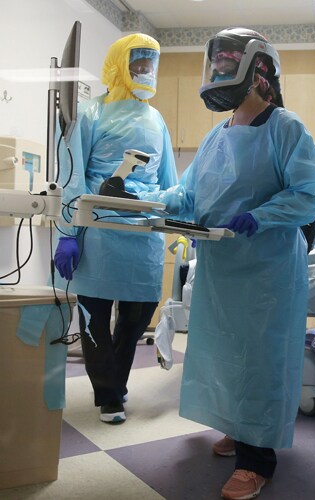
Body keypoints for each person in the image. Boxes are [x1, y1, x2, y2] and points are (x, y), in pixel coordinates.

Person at [165, 27, 315, 500]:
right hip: (221, 266)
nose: (219, 72)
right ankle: (238, 427)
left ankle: (257, 460)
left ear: (259, 73)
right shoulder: (218, 135)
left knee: (260, 359)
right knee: (222, 351)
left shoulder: (286, 128)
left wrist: (260, 217)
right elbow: (189, 192)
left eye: (228, 63)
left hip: (266, 268)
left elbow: (310, 194)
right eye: (216, 63)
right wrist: (152, 203)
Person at [52, 33, 178, 425]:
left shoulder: (156, 119)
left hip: (143, 235)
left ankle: (114, 382)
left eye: (150, 64)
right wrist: (67, 233)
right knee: (94, 315)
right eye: (138, 63)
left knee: (138, 316)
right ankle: (108, 394)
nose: (146, 71)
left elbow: (171, 181)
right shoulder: (91, 114)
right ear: (119, 65)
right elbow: (71, 175)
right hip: (100, 232)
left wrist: (181, 223)